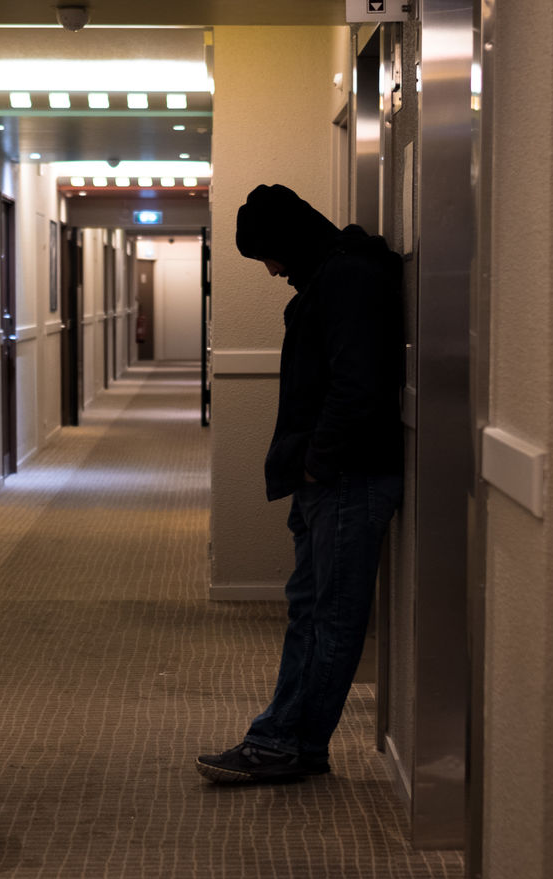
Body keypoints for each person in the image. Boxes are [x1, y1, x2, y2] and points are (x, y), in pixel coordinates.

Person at [196, 184, 405, 783]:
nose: (272, 270)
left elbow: (356, 385)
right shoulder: (334, 275)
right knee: (310, 612)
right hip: (332, 478)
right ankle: (294, 742)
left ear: (289, 240)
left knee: (329, 617)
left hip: (346, 477)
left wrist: (318, 461)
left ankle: (283, 743)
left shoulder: (348, 278)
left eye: (269, 255)